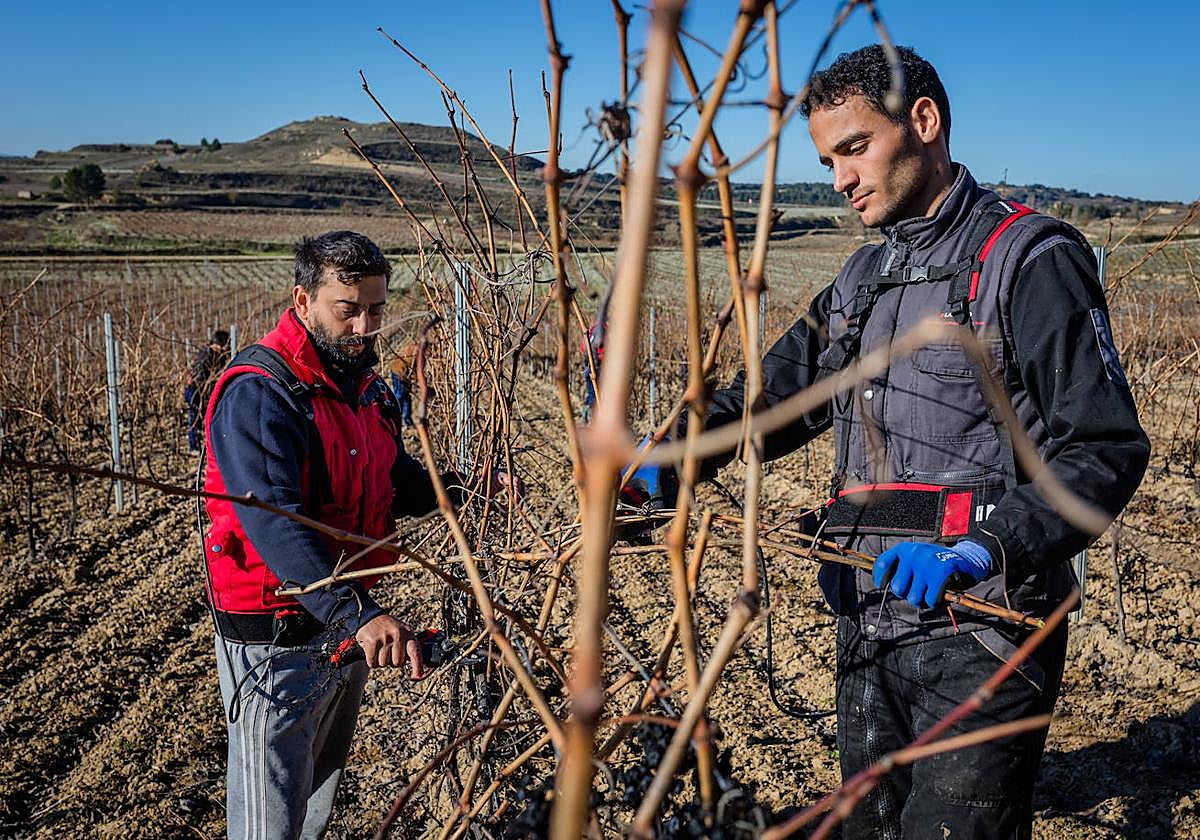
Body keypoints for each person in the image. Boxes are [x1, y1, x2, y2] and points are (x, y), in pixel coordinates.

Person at [693, 46, 1149, 838]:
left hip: (983, 633)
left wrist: (983, 549)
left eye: (854, 148)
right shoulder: (861, 280)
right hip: (866, 626)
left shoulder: (1030, 260)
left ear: (925, 123)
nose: (839, 179)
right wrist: (673, 456)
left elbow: (1103, 449)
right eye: (827, 159)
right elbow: (768, 401)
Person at [201, 230, 515, 839]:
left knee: (316, 796)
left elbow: (392, 479)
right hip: (277, 639)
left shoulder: (363, 389)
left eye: (376, 309)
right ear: (303, 300)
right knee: (271, 817)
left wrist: (469, 487)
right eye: (348, 310)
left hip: (342, 627)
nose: (365, 326)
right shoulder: (261, 391)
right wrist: (358, 614)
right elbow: (273, 520)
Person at [185, 329, 230, 453]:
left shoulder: (218, 356)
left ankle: (204, 445)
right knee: (195, 417)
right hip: (195, 390)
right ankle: (193, 446)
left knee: (204, 417)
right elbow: (200, 377)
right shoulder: (206, 354)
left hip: (202, 390)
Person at [388, 342, 417, 427]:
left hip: (403, 373)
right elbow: (413, 369)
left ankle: (406, 419)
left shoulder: (413, 349)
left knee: (406, 396)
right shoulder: (415, 353)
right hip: (398, 373)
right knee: (399, 395)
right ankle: (396, 417)